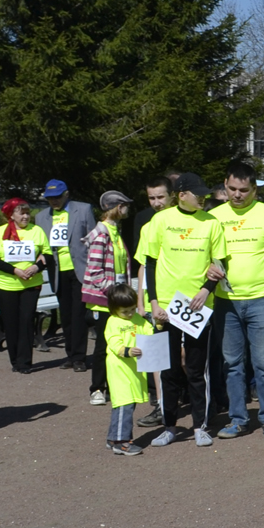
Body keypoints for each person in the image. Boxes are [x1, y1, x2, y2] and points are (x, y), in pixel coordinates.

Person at [145, 172, 229, 447]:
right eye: (197, 193)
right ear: (181, 195)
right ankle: (169, 426)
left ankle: (199, 426)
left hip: (197, 306)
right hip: (167, 307)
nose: (203, 197)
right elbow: (151, 264)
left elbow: (220, 264)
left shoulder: (212, 223)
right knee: (167, 369)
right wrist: (154, 303)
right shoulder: (160, 220)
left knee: (196, 370)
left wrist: (206, 290)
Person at [212, 163, 264, 441]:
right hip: (226, 301)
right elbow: (206, 256)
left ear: (255, 189)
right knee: (232, 363)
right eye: (232, 189)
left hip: (263, 298)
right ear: (225, 185)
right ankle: (237, 419)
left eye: (244, 190)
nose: (237, 195)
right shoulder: (214, 217)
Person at [79, 190, 136, 407]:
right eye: (125, 205)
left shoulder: (114, 231)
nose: (127, 209)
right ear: (117, 207)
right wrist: (115, 294)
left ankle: (112, 386)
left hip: (114, 298)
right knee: (103, 346)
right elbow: (94, 272)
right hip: (104, 300)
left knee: (116, 343)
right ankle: (97, 389)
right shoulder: (102, 234)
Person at [35, 180, 96, 371]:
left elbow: (94, 240)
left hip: (80, 270)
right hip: (57, 271)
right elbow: (41, 245)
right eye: (50, 198)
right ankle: (70, 355)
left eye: (57, 197)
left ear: (66, 194)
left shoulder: (83, 210)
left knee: (79, 315)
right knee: (66, 315)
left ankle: (79, 357)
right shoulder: (41, 217)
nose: (54, 201)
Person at [131, 176, 175, 427]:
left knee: (183, 356)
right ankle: (160, 407)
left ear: (172, 196)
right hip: (153, 301)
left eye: (161, 197)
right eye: (152, 198)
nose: (157, 202)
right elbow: (143, 265)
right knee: (154, 357)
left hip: (181, 299)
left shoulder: (187, 223)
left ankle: (201, 403)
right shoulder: (148, 226)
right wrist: (140, 300)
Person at [0, 197, 50, 374]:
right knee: (11, 324)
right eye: (21, 213)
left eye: (27, 213)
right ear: (11, 215)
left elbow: (47, 255)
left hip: (31, 285)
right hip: (7, 285)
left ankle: (25, 363)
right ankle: (14, 360)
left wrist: (36, 267)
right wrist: (15, 270)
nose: (25, 216)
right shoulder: (0, 232)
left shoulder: (37, 231)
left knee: (26, 322)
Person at [101, 281, 151, 457]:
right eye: (125, 311)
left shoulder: (137, 319)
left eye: (132, 309)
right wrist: (127, 351)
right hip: (119, 369)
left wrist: (157, 326)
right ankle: (122, 442)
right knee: (124, 404)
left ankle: (114, 438)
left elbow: (148, 330)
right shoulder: (113, 322)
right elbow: (114, 342)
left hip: (134, 369)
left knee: (125, 404)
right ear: (114, 309)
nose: (130, 314)